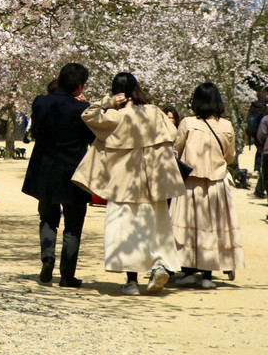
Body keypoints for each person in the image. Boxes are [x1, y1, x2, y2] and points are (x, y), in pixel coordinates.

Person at [72, 72, 184, 296]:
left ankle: (131, 281)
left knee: (125, 231)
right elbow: (173, 134)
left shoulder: (115, 116)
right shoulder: (154, 112)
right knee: (156, 227)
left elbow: (88, 114)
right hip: (154, 182)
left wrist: (108, 102)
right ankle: (159, 266)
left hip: (123, 182)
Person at [21, 63, 97, 287]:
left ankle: (47, 257)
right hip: (73, 172)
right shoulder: (82, 109)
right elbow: (90, 138)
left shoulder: (40, 102)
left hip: (44, 169)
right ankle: (67, 275)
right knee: (73, 225)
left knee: (47, 218)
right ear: (80, 86)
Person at [169, 82, 244, 289]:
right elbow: (229, 156)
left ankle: (188, 271)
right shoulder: (227, 126)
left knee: (188, 226)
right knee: (212, 226)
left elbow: (176, 148)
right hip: (216, 183)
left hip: (191, 182)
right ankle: (208, 275)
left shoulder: (187, 123)